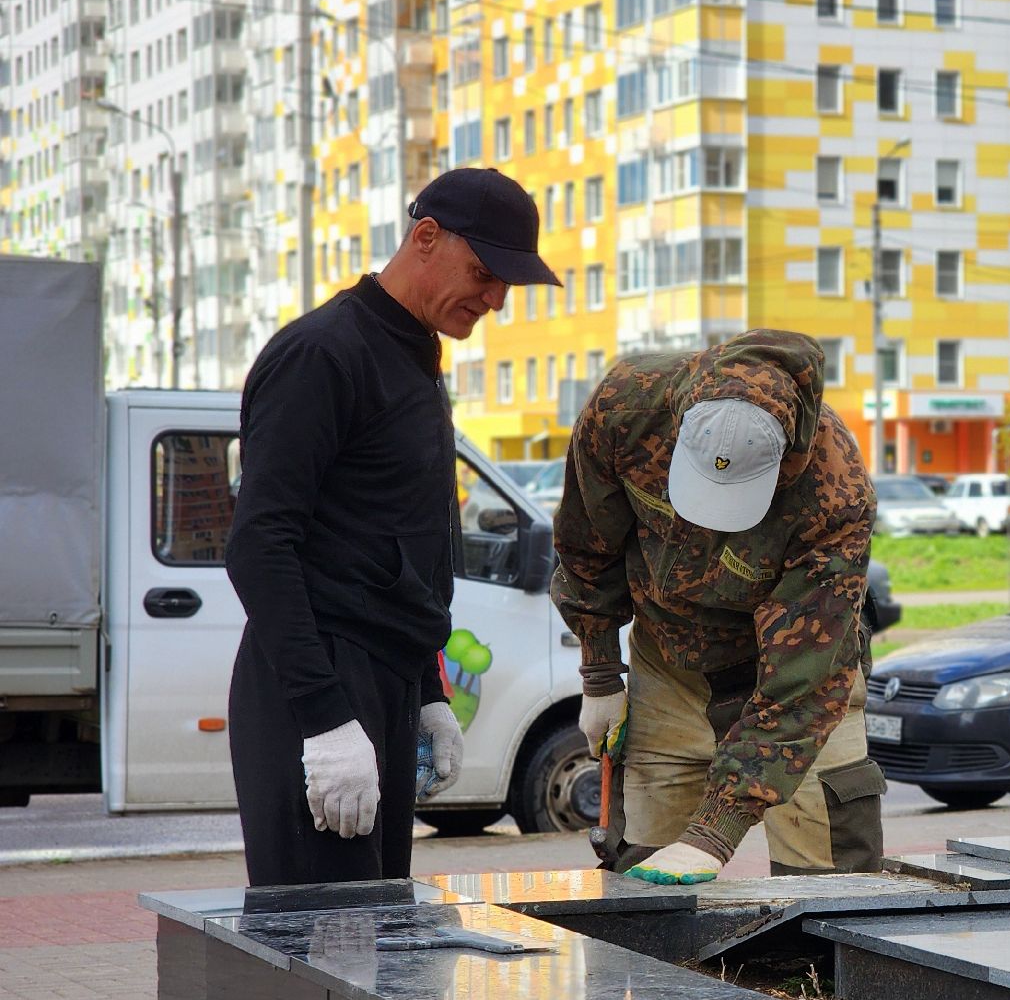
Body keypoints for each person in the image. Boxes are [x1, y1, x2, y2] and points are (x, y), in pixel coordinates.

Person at [225, 167, 560, 886]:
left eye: (508, 285)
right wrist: (324, 719)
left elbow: (403, 553)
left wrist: (431, 692)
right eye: (485, 272)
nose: (496, 299)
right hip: (319, 679)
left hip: (384, 680)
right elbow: (258, 544)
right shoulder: (323, 353)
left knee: (373, 943)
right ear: (426, 238)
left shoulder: (415, 363)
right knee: (321, 954)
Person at [551, 330, 883, 886]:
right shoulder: (626, 407)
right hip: (668, 666)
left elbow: (803, 680)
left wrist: (714, 833)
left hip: (792, 680)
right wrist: (600, 673)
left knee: (833, 886)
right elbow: (588, 545)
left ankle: (817, 974)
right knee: (644, 885)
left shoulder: (835, 491)